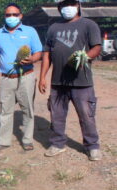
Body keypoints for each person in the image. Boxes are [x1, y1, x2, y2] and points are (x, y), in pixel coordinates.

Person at [39, 0, 102, 161]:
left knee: (87, 115)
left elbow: (96, 47)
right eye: (64, 4)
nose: (68, 7)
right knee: (57, 115)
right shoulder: (54, 27)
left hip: (82, 82)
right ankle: (57, 143)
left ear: (78, 5)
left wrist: (85, 57)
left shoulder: (89, 25)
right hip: (58, 82)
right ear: (59, 8)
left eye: (71, 3)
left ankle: (92, 146)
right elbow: (47, 53)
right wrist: (42, 77)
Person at [0, 3, 42, 152]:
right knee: (5, 110)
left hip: (26, 76)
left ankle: (27, 140)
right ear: (4, 16)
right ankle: (3, 141)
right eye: (8, 15)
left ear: (20, 16)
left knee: (27, 109)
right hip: (6, 78)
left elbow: (39, 52)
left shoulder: (30, 31)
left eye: (14, 14)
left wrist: (32, 59)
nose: (11, 17)